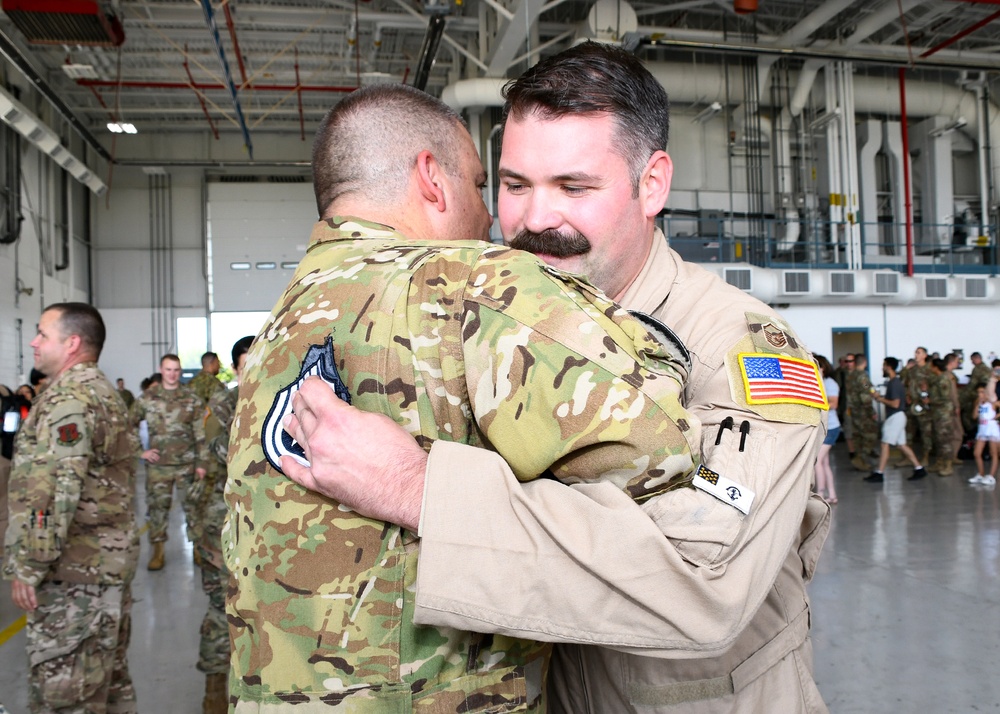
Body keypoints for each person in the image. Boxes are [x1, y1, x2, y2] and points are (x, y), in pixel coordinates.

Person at [284, 43, 830, 714]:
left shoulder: (740, 347)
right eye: (514, 186)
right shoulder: (489, 322)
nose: (534, 221)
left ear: (651, 184)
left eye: (574, 187)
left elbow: (704, 581)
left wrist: (417, 487)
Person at [224, 82, 701, 711]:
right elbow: (658, 451)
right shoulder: (469, 285)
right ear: (432, 178)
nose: (494, 220)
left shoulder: (285, 321)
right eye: (482, 185)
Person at [2, 302, 139, 713]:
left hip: (76, 576)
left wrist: (30, 565)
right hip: (101, 570)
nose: (34, 342)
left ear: (73, 342)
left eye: (43, 334)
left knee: (66, 696)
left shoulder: (70, 400)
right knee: (106, 687)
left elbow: (55, 490)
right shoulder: (97, 391)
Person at [196, 336, 253, 714]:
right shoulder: (222, 404)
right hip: (221, 524)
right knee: (222, 607)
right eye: (248, 364)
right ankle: (215, 685)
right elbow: (227, 452)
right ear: (235, 368)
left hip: (263, 525)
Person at [130, 353, 204, 570]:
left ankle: (198, 549)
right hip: (158, 466)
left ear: (180, 371)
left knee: (193, 508)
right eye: (168, 369)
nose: (172, 374)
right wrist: (139, 452)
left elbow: (200, 433)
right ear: (161, 370)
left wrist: (202, 463)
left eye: (176, 370)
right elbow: (128, 424)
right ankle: (158, 551)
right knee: (157, 509)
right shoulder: (147, 398)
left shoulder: (191, 398)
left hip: (186, 464)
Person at [867, 357, 927, 482]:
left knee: (884, 444)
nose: (882, 368)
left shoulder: (894, 383)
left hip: (895, 417)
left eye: (884, 365)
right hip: (898, 416)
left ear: (889, 366)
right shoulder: (894, 382)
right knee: (902, 445)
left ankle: (879, 473)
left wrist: (879, 399)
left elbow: (895, 403)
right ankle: (919, 468)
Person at [846, 353, 879, 470]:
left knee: (858, 436)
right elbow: (866, 395)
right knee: (870, 435)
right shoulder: (863, 377)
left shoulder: (850, 376)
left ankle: (859, 458)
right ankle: (861, 458)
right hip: (863, 411)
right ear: (865, 363)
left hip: (854, 410)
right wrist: (872, 412)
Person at [815, 355, 839, 504]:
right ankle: (832, 495)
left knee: (817, 462)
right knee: (824, 463)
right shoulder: (820, 382)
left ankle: (820, 495)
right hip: (825, 427)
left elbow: (834, 404)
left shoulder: (830, 383)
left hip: (831, 428)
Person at [968, 385, 1000, 486]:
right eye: (979, 392)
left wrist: (997, 416)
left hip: (992, 429)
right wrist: (977, 405)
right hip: (982, 429)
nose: (980, 395)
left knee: (993, 453)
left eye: (982, 392)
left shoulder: (992, 403)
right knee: (977, 453)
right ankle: (981, 473)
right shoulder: (978, 402)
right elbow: (974, 416)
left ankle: (991, 476)